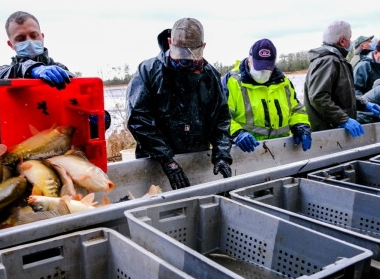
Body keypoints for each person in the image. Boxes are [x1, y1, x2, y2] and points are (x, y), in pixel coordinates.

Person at [126, 18, 232, 190]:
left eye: (192, 56)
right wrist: (167, 160)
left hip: (196, 157)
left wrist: (222, 155)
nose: (186, 62)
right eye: (182, 55)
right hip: (155, 162)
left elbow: (221, 119)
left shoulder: (210, 76)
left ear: (203, 47)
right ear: (170, 42)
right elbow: (139, 119)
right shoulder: (148, 71)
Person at [222, 38, 312, 153]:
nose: (263, 72)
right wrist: (237, 133)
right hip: (246, 152)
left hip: (281, 151)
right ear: (249, 61)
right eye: (259, 67)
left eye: (267, 68)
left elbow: (296, 109)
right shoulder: (231, 82)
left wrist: (301, 125)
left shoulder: (284, 83)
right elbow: (222, 117)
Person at [304, 21, 380, 137]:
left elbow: (341, 95)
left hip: (335, 130)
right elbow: (318, 97)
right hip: (327, 132)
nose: (351, 42)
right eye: (349, 38)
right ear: (342, 41)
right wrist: (343, 119)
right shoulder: (328, 61)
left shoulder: (338, 60)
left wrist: (364, 104)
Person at [0, 11, 72, 90]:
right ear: (11, 45)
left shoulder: (60, 69)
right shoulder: (3, 72)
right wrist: (31, 68)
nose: (29, 41)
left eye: (34, 35)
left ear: (42, 37)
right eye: (21, 39)